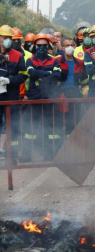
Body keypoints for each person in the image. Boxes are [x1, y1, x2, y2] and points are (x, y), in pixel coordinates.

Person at [23, 32, 61, 162]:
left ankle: (50, 154)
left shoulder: (54, 60)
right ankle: (28, 154)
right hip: (34, 97)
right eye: (39, 45)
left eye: (44, 45)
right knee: (31, 127)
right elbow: (31, 73)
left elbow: (57, 76)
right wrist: (48, 73)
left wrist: (40, 76)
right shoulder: (30, 60)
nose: (42, 48)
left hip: (50, 96)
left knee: (50, 127)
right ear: (35, 46)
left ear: (49, 45)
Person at [0, 25, 27, 164]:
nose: (7, 40)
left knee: (13, 126)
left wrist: (9, 80)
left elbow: (23, 76)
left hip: (12, 96)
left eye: (9, 38)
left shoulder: (18, 55)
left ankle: (13, 157)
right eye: (4, 37)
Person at [58, 37, 88, 135]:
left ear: (75, 46)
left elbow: (84, 79)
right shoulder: (57, 61)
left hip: (76, 94)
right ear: (62, 48)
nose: (70, 47)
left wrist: (84, 91)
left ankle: (75, 145)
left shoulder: (80, 62)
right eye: (67, 45)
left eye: (72, 45)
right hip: (61, 95)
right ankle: (63, 145)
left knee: (76, 120)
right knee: (62, 122)